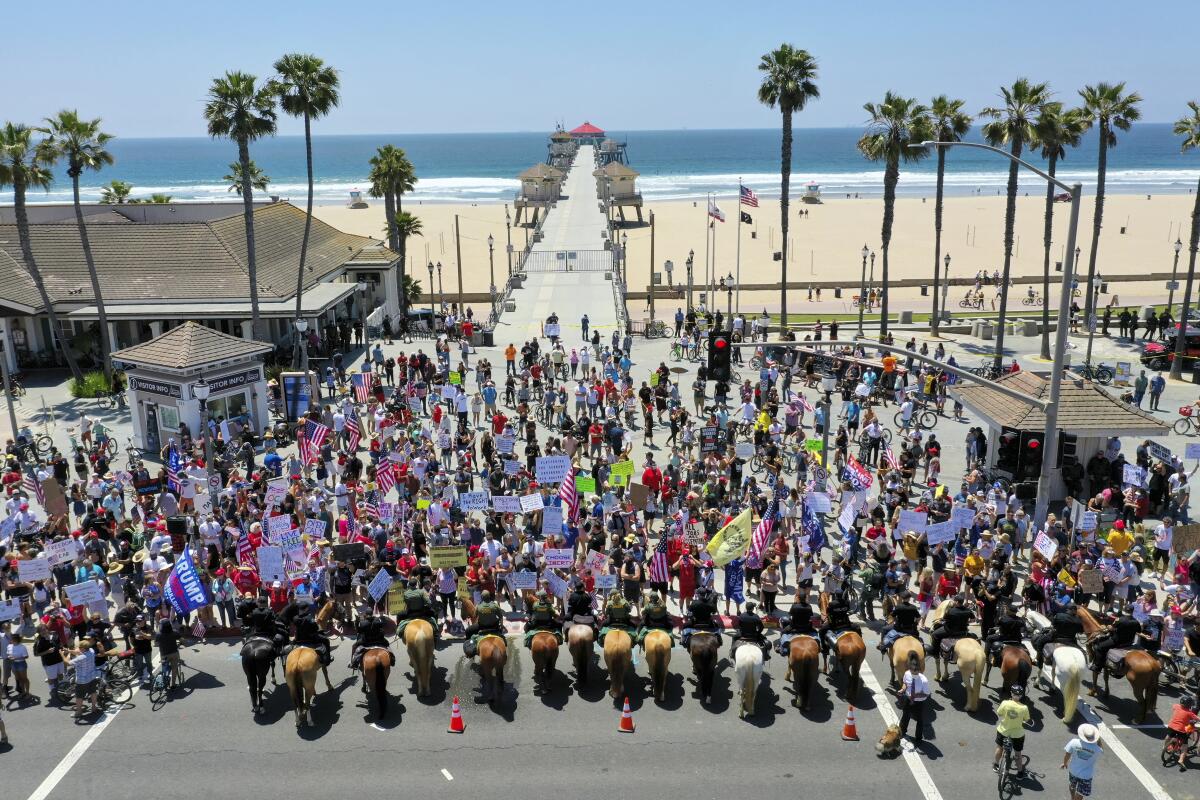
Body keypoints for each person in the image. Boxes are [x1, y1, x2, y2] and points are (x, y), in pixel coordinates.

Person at [1089, 608, 1141, 686]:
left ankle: (1097, 666)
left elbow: (1111, 628)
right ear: (1132, 611)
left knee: (1099, 647)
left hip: (1116, 642)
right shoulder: (1136, 622)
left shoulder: (1120, 619)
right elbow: (1139, 631)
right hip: (1128, 643)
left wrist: (1109, 627)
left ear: (1124, 610)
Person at [817, 590, 862, 672]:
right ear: (842, 595)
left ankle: (824, 648)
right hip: (846, 623)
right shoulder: (846, 602)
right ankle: (860, 640)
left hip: (834, 625)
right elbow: (848, 610)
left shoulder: (832, 604)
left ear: (835, 595)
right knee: (857, 628)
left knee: (821, 631)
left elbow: (828, 613)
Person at [1032, 602, 1084, 668]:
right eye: (1076, 609)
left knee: (1040, 642)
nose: (1076, 611)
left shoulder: (1059, 615)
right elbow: (1081, 632)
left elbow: (1053, 626)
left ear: (1068, 609)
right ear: (1073, 610)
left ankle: (1039, 661)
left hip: (1056, 637)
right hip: (1071, 640)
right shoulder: (1078, 621)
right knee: (1083, 653)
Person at [993, 684, 1031, 774]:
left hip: (1003, 731)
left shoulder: (1005, 703)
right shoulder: (1024, 708)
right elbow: (1027, 719)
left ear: (1011, 693)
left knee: (999, 748)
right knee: (1018, 753)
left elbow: (999, 713)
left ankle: (996, 765)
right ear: (1021, 696)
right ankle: (1020, 773)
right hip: (1017, 735)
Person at [1062, 723, 1102, 800]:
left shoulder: (1074, 742)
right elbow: (1101, 748)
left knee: (1072, 785)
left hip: (1073, 771)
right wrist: (1098, 738)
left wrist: (1064, 763)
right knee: (1081, 792)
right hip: (1086, 775)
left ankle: (1072, 798)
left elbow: (1067, 754)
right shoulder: (1097, 749)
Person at [897, 653, 930, 745]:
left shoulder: (924, 680)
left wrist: (916, 696)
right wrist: (902, 689)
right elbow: (905, 683)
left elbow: (926, 694)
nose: (913, 673)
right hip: (908, 700)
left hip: (919, 703)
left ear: (919, 670)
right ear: (909, 669)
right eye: (912, 671)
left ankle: (918, 738)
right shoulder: (907, 674)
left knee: (920, 720)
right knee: (905, 716)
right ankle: (902, 732)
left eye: (915, 671)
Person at [929, 592, 975, 658]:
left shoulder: (951, 611)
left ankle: (935, 653)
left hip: (950, 631)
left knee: (934, 634)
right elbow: (973, 620)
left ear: (956, 602)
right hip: (963, 632)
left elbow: (944, 619)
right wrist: (966, 622)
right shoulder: (968, 610)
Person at [463, 590, 504, 658]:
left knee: (468, 630)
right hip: (494, 626)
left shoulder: (478, 606)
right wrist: (501, 626)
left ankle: (469, 651)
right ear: (489, 597)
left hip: (482, 627)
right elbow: (501, 617)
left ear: (482, 598)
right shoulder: (495, 605)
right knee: (502, 637)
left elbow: (474, 616)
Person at [291, 602, 333, 667]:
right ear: (306, 609)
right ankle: (327, 659)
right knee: (326, 640)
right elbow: (315, 628)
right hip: (310, 639)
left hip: (299, 639)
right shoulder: (309, 617)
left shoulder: (295, 618)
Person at [985, 601, 1026, 666]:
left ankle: (986, 657)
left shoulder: (1003, 619)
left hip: (1004, 638)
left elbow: (997, 623)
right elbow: (1024, 625)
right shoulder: (1020, 620)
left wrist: (1003, 614)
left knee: (989, 638)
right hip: (1017, 639)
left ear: (1009, 611)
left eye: (1007, 609)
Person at [1165, 695, 1199, 770]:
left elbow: (1173, 706)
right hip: (1181, 729)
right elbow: (1197, 718)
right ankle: (1181, 760)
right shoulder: (1189, 713)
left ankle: (1165, 746)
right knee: (1185, 746)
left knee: (1169, 736)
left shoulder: (1177, 706)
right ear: (1189, 705)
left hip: (1171, 726)